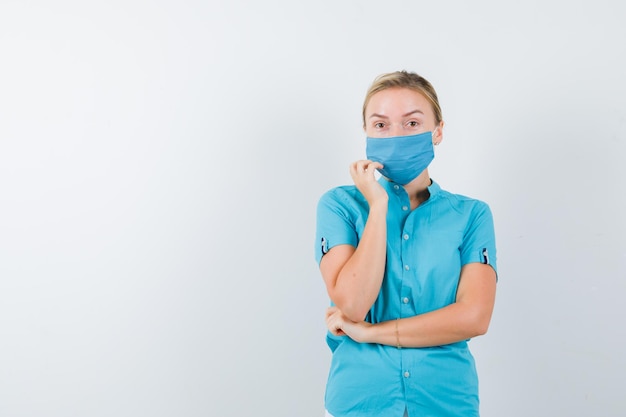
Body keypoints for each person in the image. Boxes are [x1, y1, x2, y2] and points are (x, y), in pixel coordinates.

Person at [314, 70, 498, 417]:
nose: (395, 135)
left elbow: (474, 317)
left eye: (412, 124)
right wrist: (377, 205)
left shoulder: (471, 215)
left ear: (438, 131)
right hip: (360, 402)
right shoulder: (339, 205)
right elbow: (352, 304)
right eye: (381, 125)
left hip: (446, 402)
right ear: (366, 133)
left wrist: (371, 334)